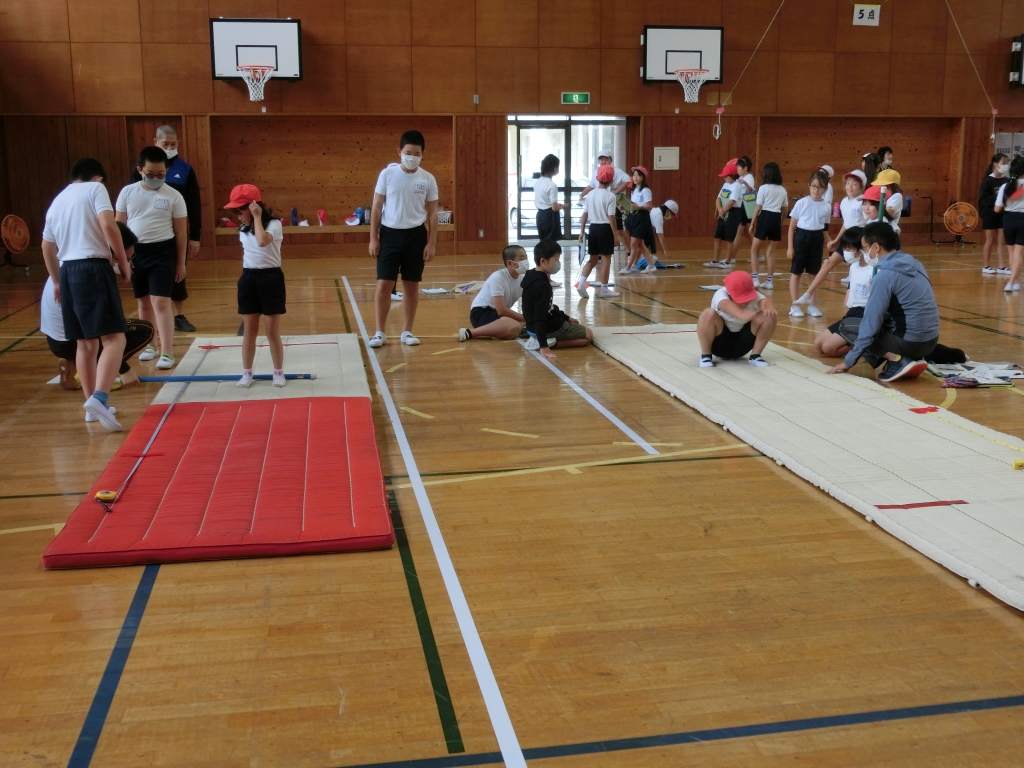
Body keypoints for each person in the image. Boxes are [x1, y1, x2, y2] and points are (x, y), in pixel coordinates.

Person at [41, 157, 132, 431]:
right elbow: (109, 225)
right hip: (92, 268)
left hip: (67, 271)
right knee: (115, 338)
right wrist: (123, 262)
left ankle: (91, 407)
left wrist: (56, 281)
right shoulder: (95, 189)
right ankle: (100, 398)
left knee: (85, 343)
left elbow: (47, 246)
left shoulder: (58, 200)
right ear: (98, 178)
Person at [43, 222, 153, 398]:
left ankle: (77, 366)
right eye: (125, 259)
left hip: (57, 340)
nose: (129, 265)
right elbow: (103, 330)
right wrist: (124, 369)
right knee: (144, 330)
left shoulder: (70, 261)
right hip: (74, 341)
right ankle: (96, 379)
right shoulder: (91, 272)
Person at [826, 222, 939, 382]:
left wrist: (848, 362)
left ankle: (897, 359)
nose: (865, 252)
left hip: (910, 342)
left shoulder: (884, 277)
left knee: (850, 325)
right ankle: (909, 358)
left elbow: (870, 325)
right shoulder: (916, 265)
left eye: (864, 248)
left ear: (876, 247)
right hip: (931, 340)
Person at [116, 146, 188, 370]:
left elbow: (181, 232)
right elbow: (119, 228)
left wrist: (180, 263)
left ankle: (167, 352)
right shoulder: (127, 193)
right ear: (140, 170)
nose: (156, 178)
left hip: (163, 253)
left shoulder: (174, 196)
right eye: (150, 174)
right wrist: (122, 259)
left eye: (160, 174)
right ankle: (150, 345)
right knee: (143, 302)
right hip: (136, 253)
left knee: (161, 301)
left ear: (166, 171)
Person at [368, 129, 439, 348]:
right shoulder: (387, 174)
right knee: (384, 284)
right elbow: (377, 206)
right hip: (389, 234)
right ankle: (379, 332)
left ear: (423, 154)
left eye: (417, 153)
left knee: (411, 285)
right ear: (399, 152)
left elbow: (433, 213)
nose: (412, 157)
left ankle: (407, 331)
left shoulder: (428, 179)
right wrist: (373, 237)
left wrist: (431, 243)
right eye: (408, 153)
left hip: (416, 235)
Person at [130, 124, 202, 332]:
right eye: (165, 144)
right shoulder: (140, 169)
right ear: (156, 142)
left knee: (178, 274)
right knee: (147, 289)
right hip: (145, 239)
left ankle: (179, 315)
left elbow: (194, 204)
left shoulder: (185, 169)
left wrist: (195, 236)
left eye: (173, 144)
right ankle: (151, 326)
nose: (169, 147)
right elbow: (131, 203)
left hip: (174, 235)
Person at [224, 184, 287, 387]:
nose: (238, 217)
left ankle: (278, 372)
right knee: (249, 331)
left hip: (271, 278)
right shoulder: (243, 229)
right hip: (249, 278)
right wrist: (252, 219)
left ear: (253, 207)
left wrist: (257, 217)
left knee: (271, 331)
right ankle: (247, 373)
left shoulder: (274, 224)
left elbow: (262, 241)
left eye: (240, 212)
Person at [521, 240, 592, 359]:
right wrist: (544, 346)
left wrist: (566, 317)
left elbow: (547, 307)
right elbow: (540, 316)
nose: (558, 263)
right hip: (545, 329)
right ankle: (551, 343)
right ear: (543, 261)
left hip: (531, 328)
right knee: (588, 336)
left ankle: (540, 339)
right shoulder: (542, 285)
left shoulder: (531, 275)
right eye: (556, 259)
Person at [697, 270, 778, 368]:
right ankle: (706, 355)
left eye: (748, 297)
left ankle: (755, 356)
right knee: (707, 313)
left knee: (769, 316)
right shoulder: (720, 294)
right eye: (742, 299)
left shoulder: (753, 296)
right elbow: (725, 304)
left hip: (743, 344)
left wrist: (769, 308)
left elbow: (764, 301)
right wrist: (741, 314)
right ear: (730, 293)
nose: (747, 301)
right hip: (719, 344)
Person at [812, 227, 870, 357]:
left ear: (861, 248)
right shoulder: (854, 267)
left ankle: (864, 346)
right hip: (851, 314)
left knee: (828, 348)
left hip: (864, 315)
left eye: (849, 249)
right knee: (818, 344)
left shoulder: (874, 269)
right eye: (844, 249)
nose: (846, 252)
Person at [786, 170, 831, 319]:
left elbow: (824, 228)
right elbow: (791, 226)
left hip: (817, 239)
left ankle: (812, 305)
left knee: (813, 274)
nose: (816, 190)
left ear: (825, 188)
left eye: (820, 187)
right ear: (809, 186)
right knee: (796, 273)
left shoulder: (827, 206)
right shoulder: (801, 203)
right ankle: (795, 305)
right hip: (801, 238)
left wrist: (830, 242)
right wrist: (790, 247)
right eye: (814, 186)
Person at [459, 245, 528, 341]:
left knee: (528, 321)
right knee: (515, 325)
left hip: (500, 316)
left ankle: (506, 330)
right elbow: (501, 310)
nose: (525, 261)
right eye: (522, 258)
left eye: (526, 258)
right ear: (510, 263)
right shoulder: (498, 277)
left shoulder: (523, 279)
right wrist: (525, 318)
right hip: (482, 312)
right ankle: (470, 332)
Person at [577, 164, 619, 297]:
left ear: (597, 178)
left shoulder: (590, 194)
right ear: (612, 181)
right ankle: (604, 289)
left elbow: (585, 214)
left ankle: (581, 284)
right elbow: (611, 217)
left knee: (592, 259)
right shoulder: (610, 196)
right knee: (606, 260)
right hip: (605, 229)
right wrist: (616, 235)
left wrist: (581, 231)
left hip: (593, 228)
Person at [580, 149, 631, 252]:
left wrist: (616, 191)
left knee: (619, 230)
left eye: (606, 159)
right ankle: (599, 253)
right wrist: (582, 194)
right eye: (601, 159)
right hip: (600, 203)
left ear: (611, 160)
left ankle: (629, 251)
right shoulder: (596, 172)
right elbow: (591, 185)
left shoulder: (616, 171)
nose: (603, 161)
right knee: (602, 228)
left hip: (612, 203)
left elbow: (627, 180)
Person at [749, 162, 787, 289]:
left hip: (765, 217)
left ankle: (755, 279)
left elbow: (758, 207)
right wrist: (780, 221)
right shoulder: (782, 190)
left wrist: (752, 222)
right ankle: (769, 281)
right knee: (770, 252)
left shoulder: (763, 188)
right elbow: (785, 210)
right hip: (776, 218)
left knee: (754, 250)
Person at [706, 160, 743, 269]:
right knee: (717, 237)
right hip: (723, 212)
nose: (724, 178)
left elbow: (732, 201)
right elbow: (718, 198)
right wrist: (720, 209)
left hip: (733, 213)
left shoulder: (737, 186)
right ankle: (715, 260)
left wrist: (723, 211)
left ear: (732, 175)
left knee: (729, 239)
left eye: (726, 176)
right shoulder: (725, 184)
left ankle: (727, 262)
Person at [995, 155, 1024, 292]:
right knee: (1018, 253)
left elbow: (997, 209)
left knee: (1012, 253)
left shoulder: (1005, 186)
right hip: (1022, 219)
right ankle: (1011, 282)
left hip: (1008, 220)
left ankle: (1015, 282)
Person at [979, 153, 1010, 275]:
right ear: (995, 164)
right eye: (1003, 163)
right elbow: (983, 199)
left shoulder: (1006, 180)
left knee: (1002, 241)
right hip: (989, 214)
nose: (1005, 165)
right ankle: (986, 265)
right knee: (990, 240)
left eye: (1007, 163)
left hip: (1002, 214)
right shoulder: (988, 181)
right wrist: (998, 197)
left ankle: (1001, 266)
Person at [621, 166, 655, 274]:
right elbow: (632, 205)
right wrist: (624, 205)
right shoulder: (633, 190)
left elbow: (649, 206)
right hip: (633, 217)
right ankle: (651, 265)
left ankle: (629, 267)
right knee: (640, 244)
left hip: (642, 217)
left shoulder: (645, 190)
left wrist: (639, 207)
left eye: (638, 175)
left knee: (633, 244)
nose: (635, 177)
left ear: (643, 177)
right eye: (634, 175)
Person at [826, 170, 868, 253]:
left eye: (854, 184)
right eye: (848, 183)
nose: (850, 186)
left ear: (861, 186)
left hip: (860, 240)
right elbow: (846, 224)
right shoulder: (844, 201)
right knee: (830, 261)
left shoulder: (864, 201)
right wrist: (836, 240)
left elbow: (869, 222)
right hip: (848, 239)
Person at [870, 169, 904, 250]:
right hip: (877, 234)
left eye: (886, 186)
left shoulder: (897, 196)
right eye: (880, 186)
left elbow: (886, 214)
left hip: (889, 235)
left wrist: (881, 211)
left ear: (894, 186)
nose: (882, 189)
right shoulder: (880, 198)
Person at [534, 154, 563, 242]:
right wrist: (564, 206)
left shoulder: (538, 182)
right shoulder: (551, 185)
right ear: (555, 169)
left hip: (540, 215)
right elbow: (554, 208)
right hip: (550, 217)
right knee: (551, 244)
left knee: (543, 242)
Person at [647, 199, 679, 265]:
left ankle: (644, 261)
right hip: (640, 228)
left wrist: (663, 249)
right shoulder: (658, 216)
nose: (671, 217)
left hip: (644, 228)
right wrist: (665, 250)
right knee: (644, 246)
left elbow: (658, 235)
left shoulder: (656, 211)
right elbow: (660, 235)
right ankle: (642, 262)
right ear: (667, 211)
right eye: (672, 215)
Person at [735, 156, 758, 244]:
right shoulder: (740, 177)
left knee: (739, 230)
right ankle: (756, 250)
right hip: (741, 206)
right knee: (747, 232)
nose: (737, 169)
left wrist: (745, 183)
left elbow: (749, 191)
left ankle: (732, 253)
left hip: (746, 206)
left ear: (745, 168)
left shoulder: (749, 177)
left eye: (739, 167)